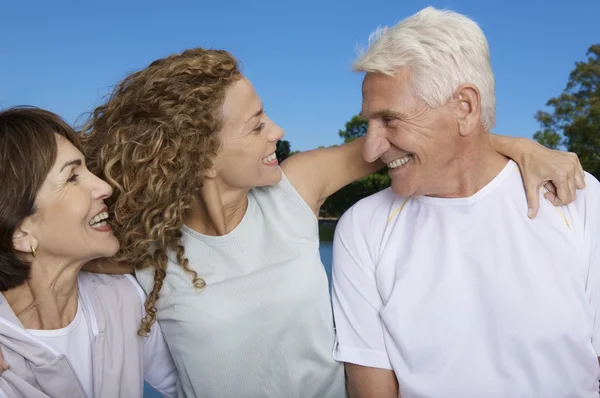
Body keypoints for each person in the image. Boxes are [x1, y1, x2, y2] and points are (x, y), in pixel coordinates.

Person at [80, 48, 584, 397]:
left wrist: (525, 147)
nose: (276, 131)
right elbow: (40, 286)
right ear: (201, 157)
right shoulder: (144, 257)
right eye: (256, 125)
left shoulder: (293, 188)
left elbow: (429, 141)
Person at [331, 7, 599, 398]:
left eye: (390, 121)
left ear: (465, 108)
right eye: (369, 123)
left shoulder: (577, 198)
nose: (371, 148)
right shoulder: (362, 228)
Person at [0, 107, 178, 398]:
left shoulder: (125, 300)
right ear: (21, 232)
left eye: (87, 170)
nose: (104, 186)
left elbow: (189, 385)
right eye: (72, 177)